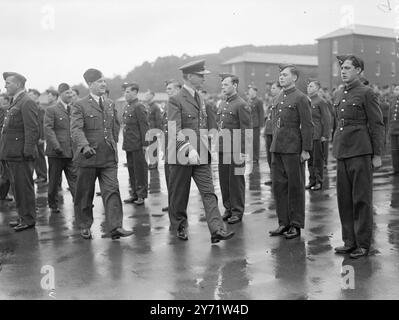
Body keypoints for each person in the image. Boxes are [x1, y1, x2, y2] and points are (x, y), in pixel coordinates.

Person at [167, 59, 234, 244]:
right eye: (200, 76)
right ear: (189, 77)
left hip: (202, 155)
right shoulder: (176, 99)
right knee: (180, 195)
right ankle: (180, 226)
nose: (203, 79)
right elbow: (174, 129)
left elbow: (203, 126)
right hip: (182, 156)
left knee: (209, 192)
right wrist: (188, 149)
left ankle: (217, 230)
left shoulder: (200, 98)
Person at [71, 68, 133, 240]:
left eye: (104, 81)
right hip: (88, 157)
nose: (103, 84)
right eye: (99, 82)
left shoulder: (109, 103)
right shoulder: (79, 105)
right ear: (90, 84)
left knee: (112, 191)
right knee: (84, 194)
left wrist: (113, 143)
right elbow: (76, 129)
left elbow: (115, 125)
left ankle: (115, 227)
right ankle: (84, 225)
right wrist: (84, 146)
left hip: (108, 157)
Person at [333, 55, 384, 259]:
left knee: (361, 199)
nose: (343, 71)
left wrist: (377, 154)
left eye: (347, 68)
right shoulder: (338, 93)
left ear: (359, 71)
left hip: (360, 151)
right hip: (342, 151)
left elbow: (377, 124)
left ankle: (363, 244)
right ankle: (349, 241)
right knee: (344, 199)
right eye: (342, 68)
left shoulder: (367, 93)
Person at [269, 65, 313, 240]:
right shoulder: (278, 97)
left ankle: (295, 224)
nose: (281, 77)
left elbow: (308, 125)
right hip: (277, 147)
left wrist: (306, 149)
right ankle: (283, 222)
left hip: (293, 148)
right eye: (280, 74)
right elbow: (274, 122)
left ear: (294, 78)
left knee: (295, 187)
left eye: (285, 75)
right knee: (279, 186)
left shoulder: (301, 98)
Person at [0, 72, 40, 231]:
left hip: (21, 154)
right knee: (17, 188)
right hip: (12, 153)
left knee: (24, 188)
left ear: (17, 84)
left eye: (8, 83)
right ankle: (23, 215)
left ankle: (28, 219)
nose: (5, 86)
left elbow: (32, 129)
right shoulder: (16, 101)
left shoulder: (26, 101)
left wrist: (28, 151)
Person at [216, 73, 252, 225]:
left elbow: (246, 130)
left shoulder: (241, 104)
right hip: (224, 147)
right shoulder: (223, 103)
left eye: (226, 84)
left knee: (236, 181)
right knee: (225, 180)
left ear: (234, 85)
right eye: (222, 84)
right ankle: (228, 207)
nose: (223, 87)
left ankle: (237, 211)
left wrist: (244, 151)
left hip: (237, 148)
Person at [44, 83, 77, 213]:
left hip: (71, 151)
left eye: (71, 93)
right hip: (56, 153)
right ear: (61, 94)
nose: (70, 95)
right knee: (54, 180)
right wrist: (57, 146)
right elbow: (48, 129)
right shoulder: (51, 110)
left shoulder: (74, 109)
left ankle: (79, 202)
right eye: (67, 93)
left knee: (74, 179)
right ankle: (53, 204)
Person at [121, 82, 149, 205]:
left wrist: (145, 144)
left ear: (135, 92)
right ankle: (134, 193)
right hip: (129, 144)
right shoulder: (127, 107)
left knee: (140, 170)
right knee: (131, 170)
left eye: (128, 92)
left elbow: (144, 126)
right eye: (125, 92)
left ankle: (141, 195)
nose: (125, 94)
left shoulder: (139, 106)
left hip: (138, 144)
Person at [306, 80, 330, 191]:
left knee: (317, 160)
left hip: (317, 134)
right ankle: (311, 180)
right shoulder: (306, 100)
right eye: (308, 86)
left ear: (317, 88)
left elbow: (326, 118)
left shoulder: (321, 101)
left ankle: (319, 181)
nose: (308, 88)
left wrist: (325, 134)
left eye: (311, 86)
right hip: (308, 135)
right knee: (309, 160)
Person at [161, 79, 182, 212]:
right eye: (167, 89)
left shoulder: (181, 105)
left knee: (177, 179)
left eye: (170, 89)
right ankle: (172, 203)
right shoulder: (168, 105)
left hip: (177, 147)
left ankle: (178, 206)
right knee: (169, 177)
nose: (167, 91)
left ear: (178, 89)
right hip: (168, 147)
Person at [29, 88, 48, 184]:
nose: (29, 95)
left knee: (40, 157)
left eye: (31, 94)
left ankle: (43, 176)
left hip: (39, 137)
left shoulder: (39, 108)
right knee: (36, 157)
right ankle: (39, 175)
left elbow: (42, 123)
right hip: (34, 136)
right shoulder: (32, 105)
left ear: (36, 95)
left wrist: (42, 137)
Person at [263, 81, 281, 185]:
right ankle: (273, 176)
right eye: (271, 88)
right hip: (268, 131)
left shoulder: (282, 100)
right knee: (269, 156)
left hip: (275, 132)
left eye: (274, 88)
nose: (271, 90)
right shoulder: (272, 100)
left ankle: (278, 177)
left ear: (280, 89)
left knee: (276, 156)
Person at [247, 85, 264, 163]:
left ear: (255, 92)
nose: (251, 93)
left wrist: (261, 125)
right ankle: (251, 157)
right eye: (250, 92)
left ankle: (255, 157)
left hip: (256, 125)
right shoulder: (248, 101)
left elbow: (261, 113)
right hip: (248, 125)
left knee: (255, 142)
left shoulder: (259, 101)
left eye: (252, 92)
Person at [0, 94, 12, 201]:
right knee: (5, 174)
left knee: (6, 174)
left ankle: (4, 195)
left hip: (5, 148)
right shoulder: (3, 113)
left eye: (3, 103)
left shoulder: (8, 113)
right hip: (3, 148)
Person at [146, 90, 162, 169]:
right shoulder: (148, 106)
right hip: (148, 130)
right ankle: (151, 162)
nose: (146, 96)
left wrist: (158, 130)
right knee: (150, 147)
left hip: (153, 130)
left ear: (152, 95)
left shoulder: (155, 106)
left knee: (154, 147)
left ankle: (154, 163)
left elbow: (158, 119)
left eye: (148, 95)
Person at [388, 84, 399, 174]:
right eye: (395, 89)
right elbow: (389, 117)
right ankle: (395, 169)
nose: (396, 91)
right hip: (393, 130)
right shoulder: (392, 101)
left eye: (398, 89)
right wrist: (389, 130)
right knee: (394, 151)